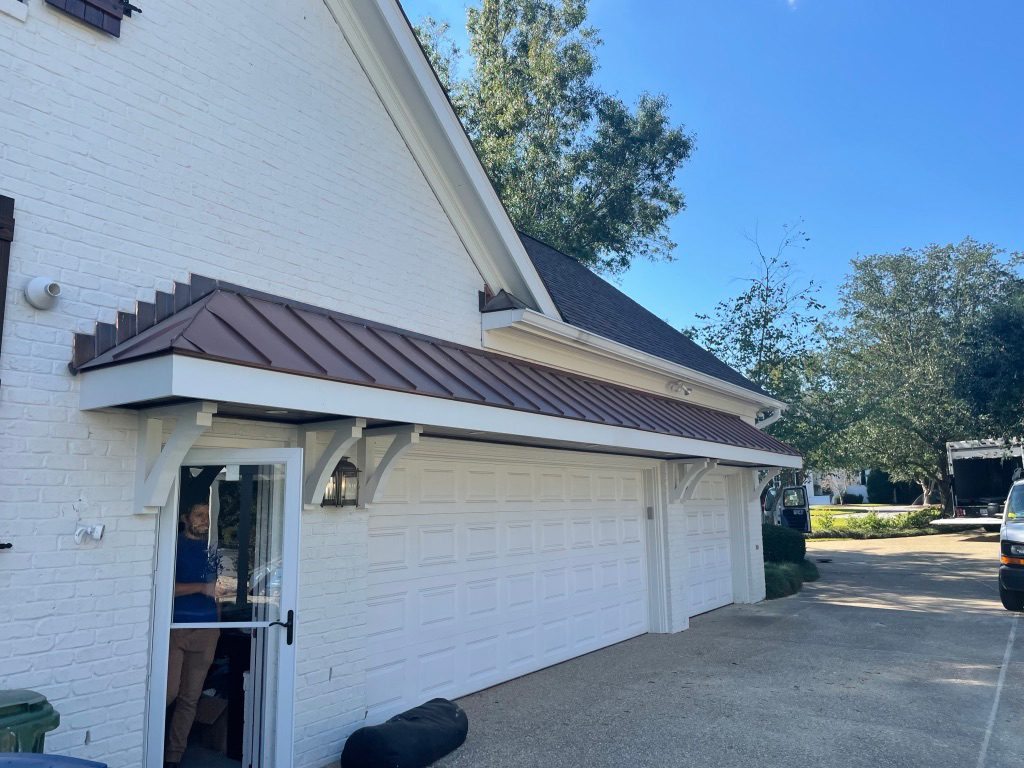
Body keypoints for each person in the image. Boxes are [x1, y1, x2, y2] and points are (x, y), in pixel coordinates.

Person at [165, 501, 220, 768]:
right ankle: (146, 744)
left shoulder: (213, 548)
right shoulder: (173, 545)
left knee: (190, 697)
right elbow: (165, 587)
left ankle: (173, 757)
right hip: (176, 627)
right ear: (186, 517)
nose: (204, 520)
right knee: (168, 692)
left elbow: (222, 585)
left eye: (208, 515)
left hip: (208, 629)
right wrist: (200, 587)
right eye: (198, 514)